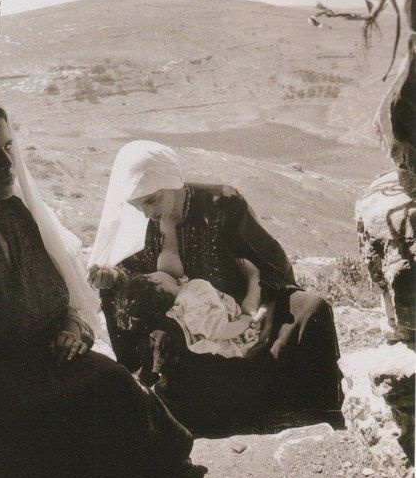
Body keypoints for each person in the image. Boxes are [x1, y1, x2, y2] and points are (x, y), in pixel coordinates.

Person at [0, 97, 192, 478]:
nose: (8, 163)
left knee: (118, 388)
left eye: (8, 147)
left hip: (50, 367)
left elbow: (62, 300)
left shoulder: (18, 217)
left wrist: (73, 329)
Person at [88, 140, 343, 435]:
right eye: (138, 205)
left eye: (152, 201)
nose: (147, 212)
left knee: (311, 308)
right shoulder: (142, 224)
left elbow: (270, 265)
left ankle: (319, 413)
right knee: (171, 343)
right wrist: (113, 278)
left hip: (245, 308)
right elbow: (134, 282)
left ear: (171, 181)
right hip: (191, 331)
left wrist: (263, 308)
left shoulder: (222, 204)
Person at [116, 271, 261, 358]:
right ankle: (255, 276)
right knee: (258, 308)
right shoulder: (193, 301)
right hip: (239, 336)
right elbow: (219, 331)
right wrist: (245, 322)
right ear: (155, 279)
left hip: (232, 322)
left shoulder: (179, 305)